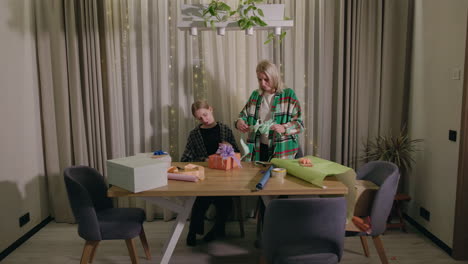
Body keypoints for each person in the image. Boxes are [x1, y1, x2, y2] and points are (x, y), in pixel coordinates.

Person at [181, 100, 240, 246]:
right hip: (204, 177)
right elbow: (184, 160)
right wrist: (205, 160)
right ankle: (193, 231)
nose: (204, 119)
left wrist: (230, 148)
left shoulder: (225, 130)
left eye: (205, 115)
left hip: (225, 177)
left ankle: (218, 229)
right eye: (200, 118)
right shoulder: (194, 134)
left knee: (225, 201)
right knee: (200, 201)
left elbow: (238, 155)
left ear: (211, 109)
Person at [236, 60, 304, 162]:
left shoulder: (288, 95)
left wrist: (284, 128)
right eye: (260, 79)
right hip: (260, 150)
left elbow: (299, 124)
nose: (262, 83)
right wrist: (239, 122)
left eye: (266, 79)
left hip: (283, 150)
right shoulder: (255, 95)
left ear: (274, 77)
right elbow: (243, 116)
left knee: (280, 177)